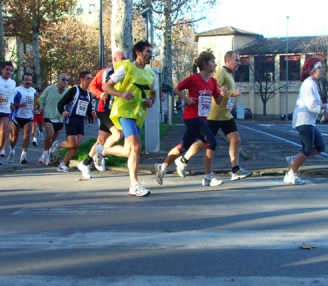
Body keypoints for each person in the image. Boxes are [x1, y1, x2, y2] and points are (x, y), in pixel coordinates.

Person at [173, 51, 252, 181]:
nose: (239, 63)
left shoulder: (230, 74)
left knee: (236, 138)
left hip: (225, 114)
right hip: (214, 115)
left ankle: (235, 169)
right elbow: (215, 91)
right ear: (228, 60)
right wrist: (232, 94)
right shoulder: (221, 73)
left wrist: (231, 99)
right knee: (205, 142)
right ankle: (183, 159)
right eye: (237, 60)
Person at [154, 51, 227, 187]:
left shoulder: (212, 82)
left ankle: (162, 167)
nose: (214, 64)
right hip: (191, 116)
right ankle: (208, 177)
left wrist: (222, 93)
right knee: (212, 142)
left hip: (202, 118)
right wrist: (186, 99)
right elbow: (176, 90)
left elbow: (217, 101)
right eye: (212, 62)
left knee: (183, 147)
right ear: (205, 64)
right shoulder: (193, 79)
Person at [95, 41, 157, 197]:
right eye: (148, 52)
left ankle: (101, 151)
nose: (150, 54)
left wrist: (151, 101)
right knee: (136, 146)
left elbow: (153, 93)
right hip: (124, 112)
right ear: (138, 53)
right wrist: (121, 94)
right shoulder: (126, 67)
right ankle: (134, 185)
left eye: (151, 52)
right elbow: (107, 87)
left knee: (128, 151)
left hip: (138, 114)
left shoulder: (151, 73)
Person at [77, 50, 128, 179]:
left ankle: (85, 163)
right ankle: (99, 155)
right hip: (105, 109)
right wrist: (100, 94)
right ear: (115, 60)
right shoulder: (105, 72)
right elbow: (92, 86)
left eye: (126, 58)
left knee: (100, 140)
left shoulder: (128, 73)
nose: (125, 60)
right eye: (122, 58)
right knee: (118, 135)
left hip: (118, 110)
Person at [284, 57, 328, 185]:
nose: (321, 71)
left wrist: (324, 106)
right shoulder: (308, 84)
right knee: (307, 148)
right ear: (311, 69)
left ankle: (295, 160)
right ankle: (291, 174)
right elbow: (312, 106)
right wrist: (326, 106)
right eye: (319, 68)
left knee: (320, 146)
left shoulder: (312, 83)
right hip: (304, 120)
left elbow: (316, 103)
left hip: (309, 121)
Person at [49, 71, 95, 172]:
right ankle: (57, 145)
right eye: (88, 78)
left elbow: (88, 108)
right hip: (71, 119)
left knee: (77, 144)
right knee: (72, 143)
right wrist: (63, 111)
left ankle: (62, 164)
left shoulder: (88, 94)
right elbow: (61, 103)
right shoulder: (75, 90)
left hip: (80, 121)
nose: (90, 80)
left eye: (91, 78)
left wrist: (92, 113)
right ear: (81, 79)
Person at [38, 73, 69, 165]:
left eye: (67, 80)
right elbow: (42, 99)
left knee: (53, 139)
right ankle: (45, 153)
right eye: (63, 79)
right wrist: (41, 106)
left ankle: (46, 153)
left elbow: (69, 104)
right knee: (50, 134)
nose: (65, 82)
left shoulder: (67, 92)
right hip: (49, 115)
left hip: (59, 117)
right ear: (58, 79)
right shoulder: (50, 89)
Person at [7, 72, 36, 164]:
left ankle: (23, 155)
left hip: (28, 116)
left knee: (27, 135)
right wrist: (20, 105)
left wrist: (35, 109)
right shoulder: (17, 90)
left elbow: (34, 103)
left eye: (30, 80)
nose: (28, 82)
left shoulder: (33, 91)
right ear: (22, 80)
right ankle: (12, 150)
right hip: (18, 116)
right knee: (14, 136)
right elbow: (11, 103)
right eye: (26, 80)